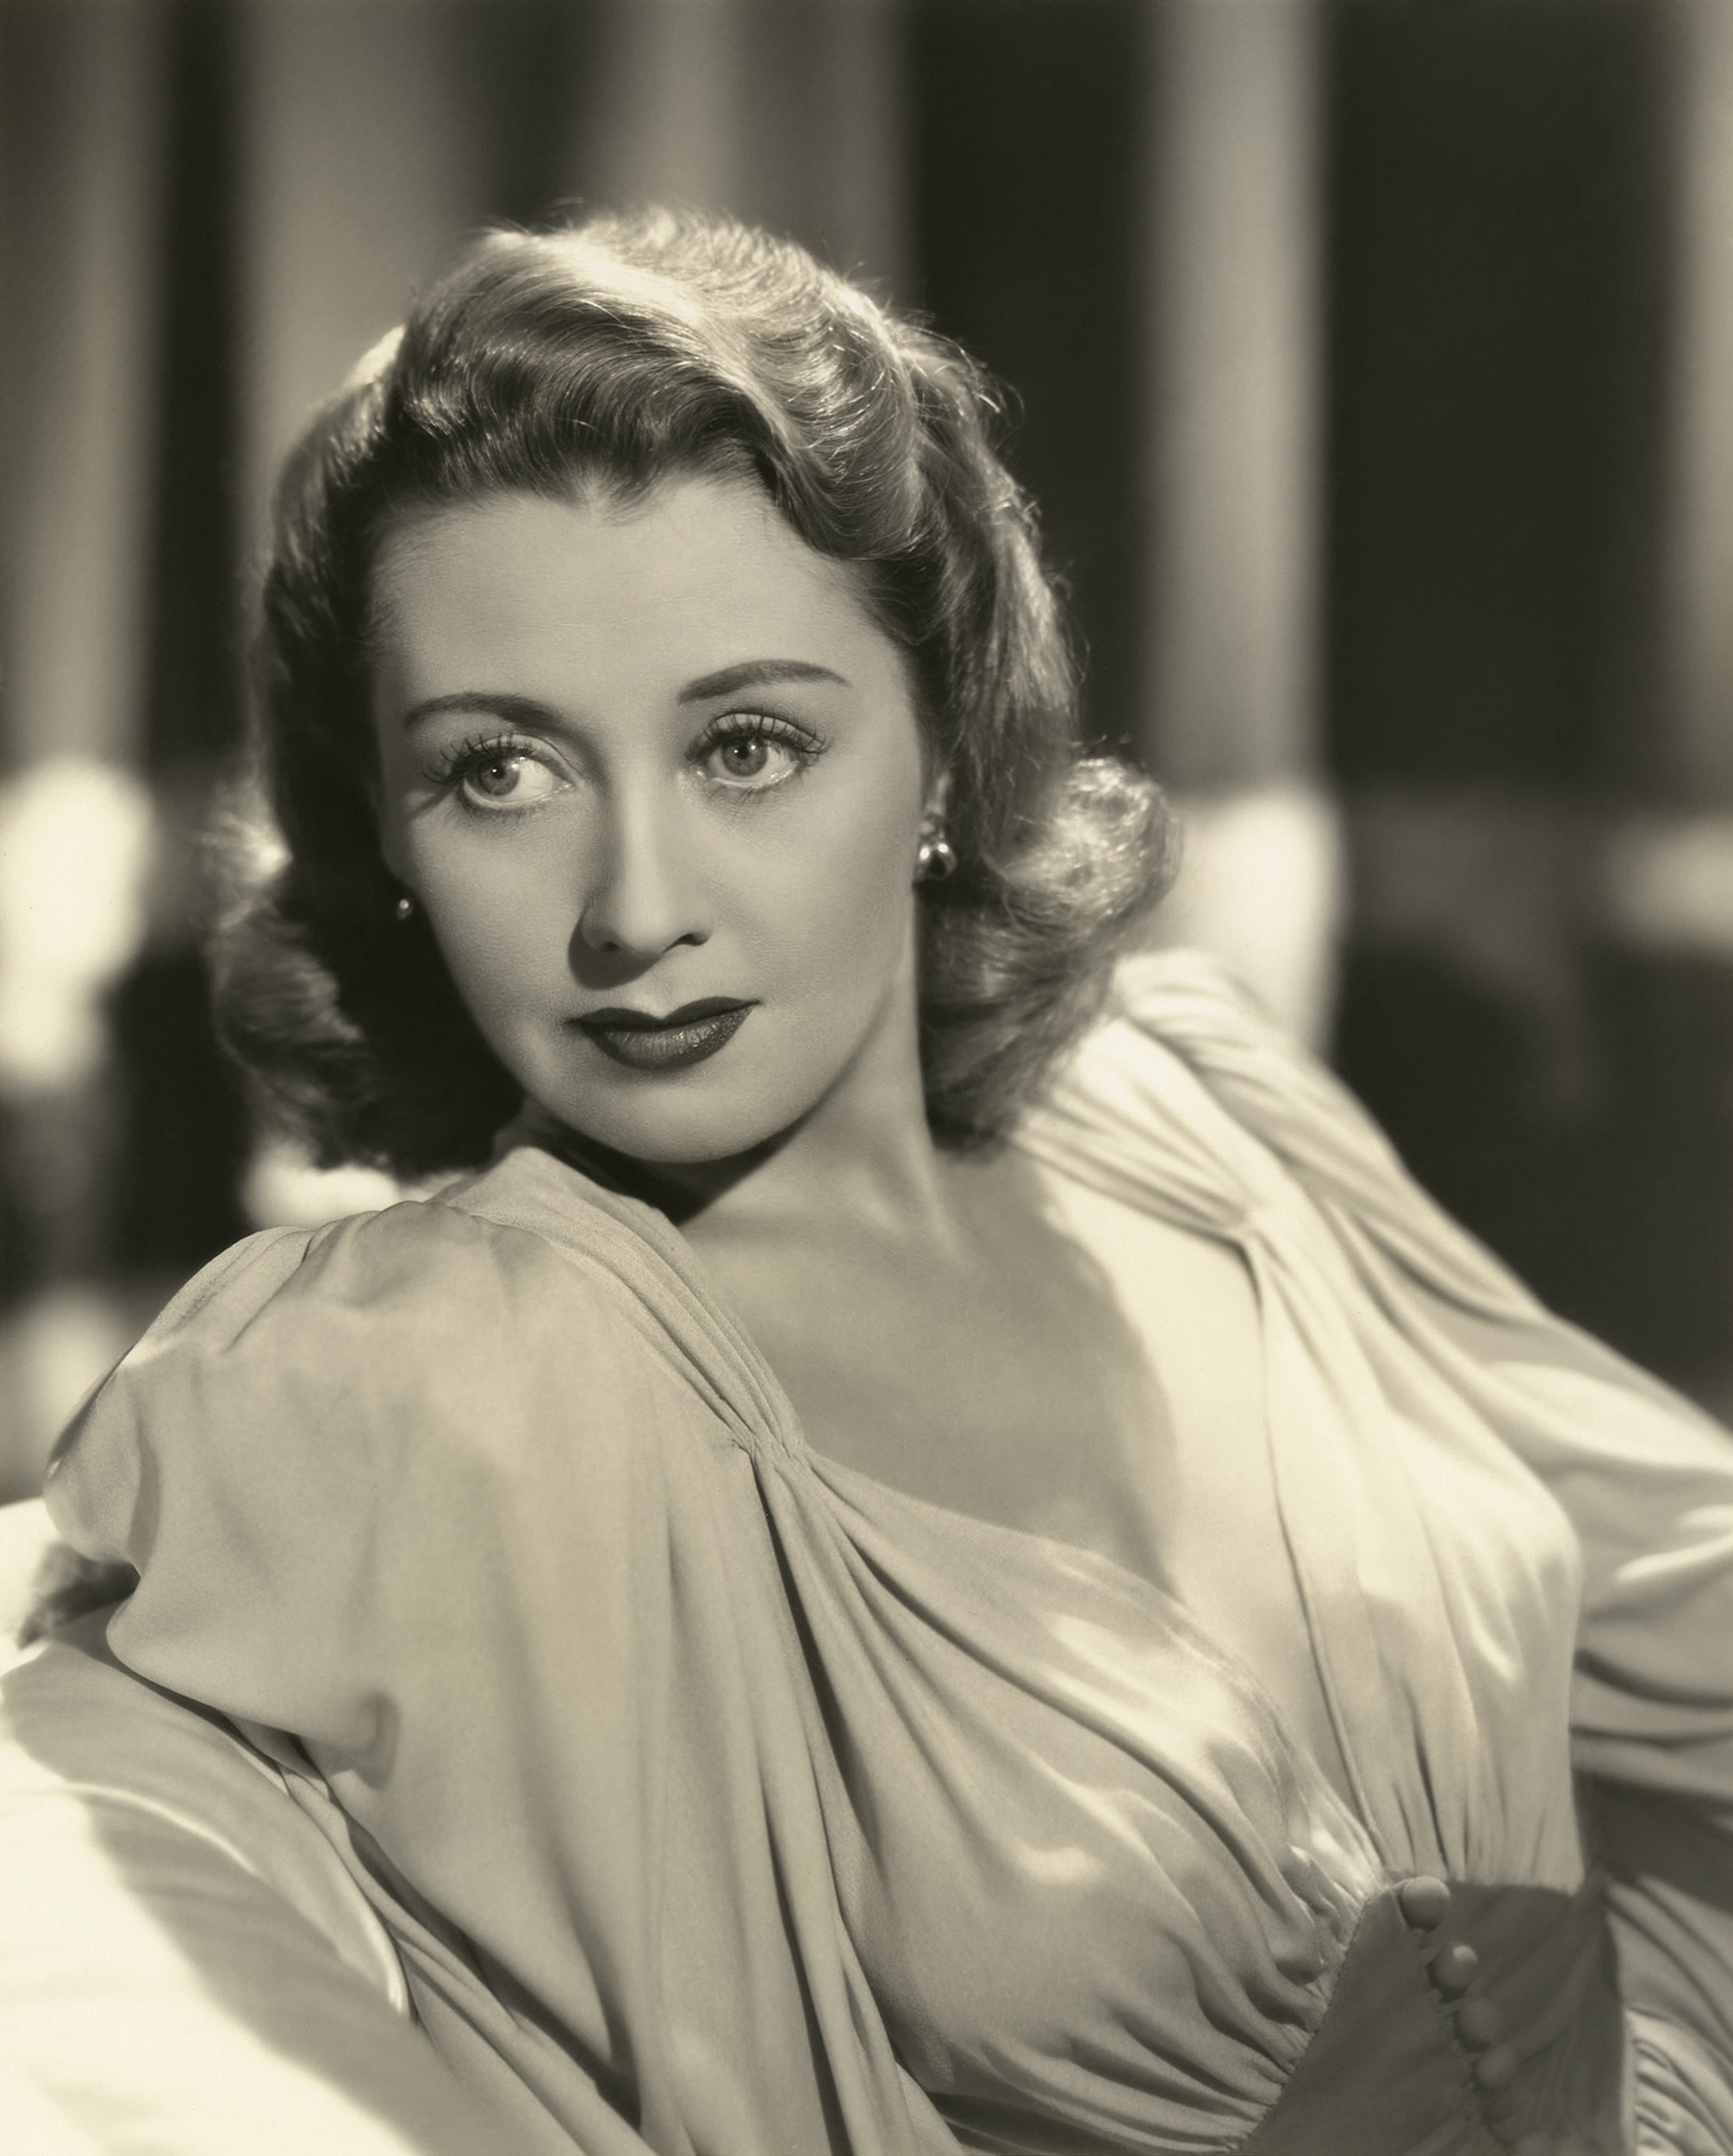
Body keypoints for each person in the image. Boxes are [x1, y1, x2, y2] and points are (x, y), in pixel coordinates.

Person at [2, 206, 1730, 2156]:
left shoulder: (1195, 1108)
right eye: (498, 771)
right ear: (390, 836)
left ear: (942, 743)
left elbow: (1686, 1623)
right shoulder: (424, 1388)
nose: (634, 910)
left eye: (745, 746)